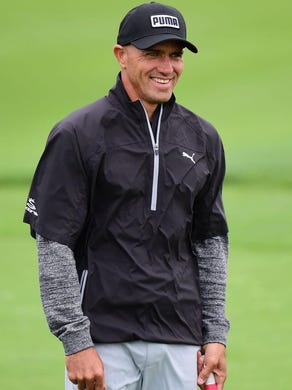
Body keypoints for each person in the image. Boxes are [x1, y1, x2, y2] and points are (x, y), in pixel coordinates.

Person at [24, 2, 230, 390]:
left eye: (175, 56)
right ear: (121, 55)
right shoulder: (77, 134)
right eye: (152, 54)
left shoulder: (203, 138)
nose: (166, 67)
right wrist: (75, 340)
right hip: (103, 343)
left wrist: (216, 334)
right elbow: (54, 243)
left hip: (180, 341)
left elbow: (210, 242)